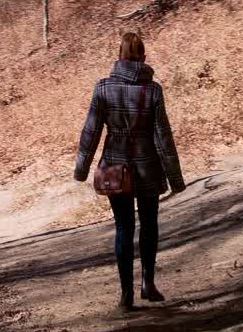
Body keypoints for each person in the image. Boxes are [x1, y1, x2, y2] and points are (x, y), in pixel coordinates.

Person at [74, 32, 186, 312]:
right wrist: (175, 178)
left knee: (124, 227)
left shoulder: (103, 88)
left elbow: (91, 131)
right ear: (143, 58)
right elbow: (163, 137)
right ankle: (148, 283)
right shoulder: (154, 90)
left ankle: (126, 294)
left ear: (119, 56)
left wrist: (82, 168)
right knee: (149, 224)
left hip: (114, 167)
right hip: (147, 167)